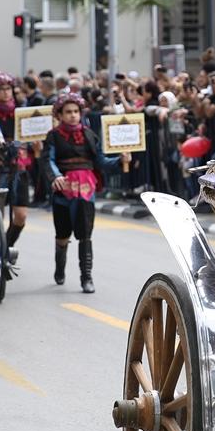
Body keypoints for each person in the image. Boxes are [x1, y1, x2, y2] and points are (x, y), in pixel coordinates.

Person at [44, 93, 128, 293]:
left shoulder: (90, 134)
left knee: (85, 234)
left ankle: (86, 278)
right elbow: (48, 160)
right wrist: (56, 177)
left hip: (86, 189)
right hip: (63, 189)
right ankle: (60, 267)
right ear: (60, 115)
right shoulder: (53, 135)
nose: (73, 115)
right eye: (68, 112)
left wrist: (119, 160)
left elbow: (101, 161)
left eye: (75, 112)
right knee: (63, 235)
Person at [0, 72, 31, 261]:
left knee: (20, 216)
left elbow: (30, 139)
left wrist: (35, 145)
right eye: (1, 89)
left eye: (8, 88)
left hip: (18, 167)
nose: (6, 93)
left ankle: (6, 246)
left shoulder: (22, 112)